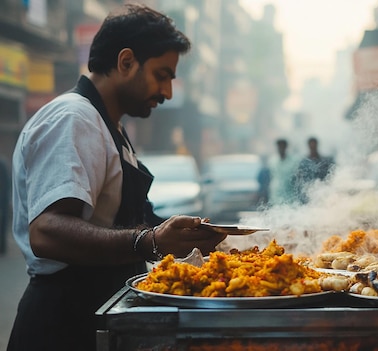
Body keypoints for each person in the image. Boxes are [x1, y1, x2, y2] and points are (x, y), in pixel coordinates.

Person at [8, 5, 227, 351]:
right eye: (162, 74)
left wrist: (191, 236)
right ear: (126, 62)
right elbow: (47, 231)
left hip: (97, 309)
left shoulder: (111, 126)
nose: (167, 92)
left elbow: (124, 219)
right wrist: (150, 241)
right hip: (63, 322)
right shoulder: (74, 118)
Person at [293, 137, 335, 203]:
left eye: (314, 145)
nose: (313, 147)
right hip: (307, 195)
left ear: (317, 145)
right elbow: (300, 180)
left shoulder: (324, 162)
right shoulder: (304, 163)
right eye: (311, 146)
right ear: (308, 146)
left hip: (322, 194)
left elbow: (329, 177)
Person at [268, 139, 299, 205]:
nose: (281, 149)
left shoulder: (293, 161)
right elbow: (272, 176)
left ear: (286, 147)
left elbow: (296, 177)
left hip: (289, 194)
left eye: (283, 147)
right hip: (276, 194)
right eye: (279, 147)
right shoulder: (272, 161)